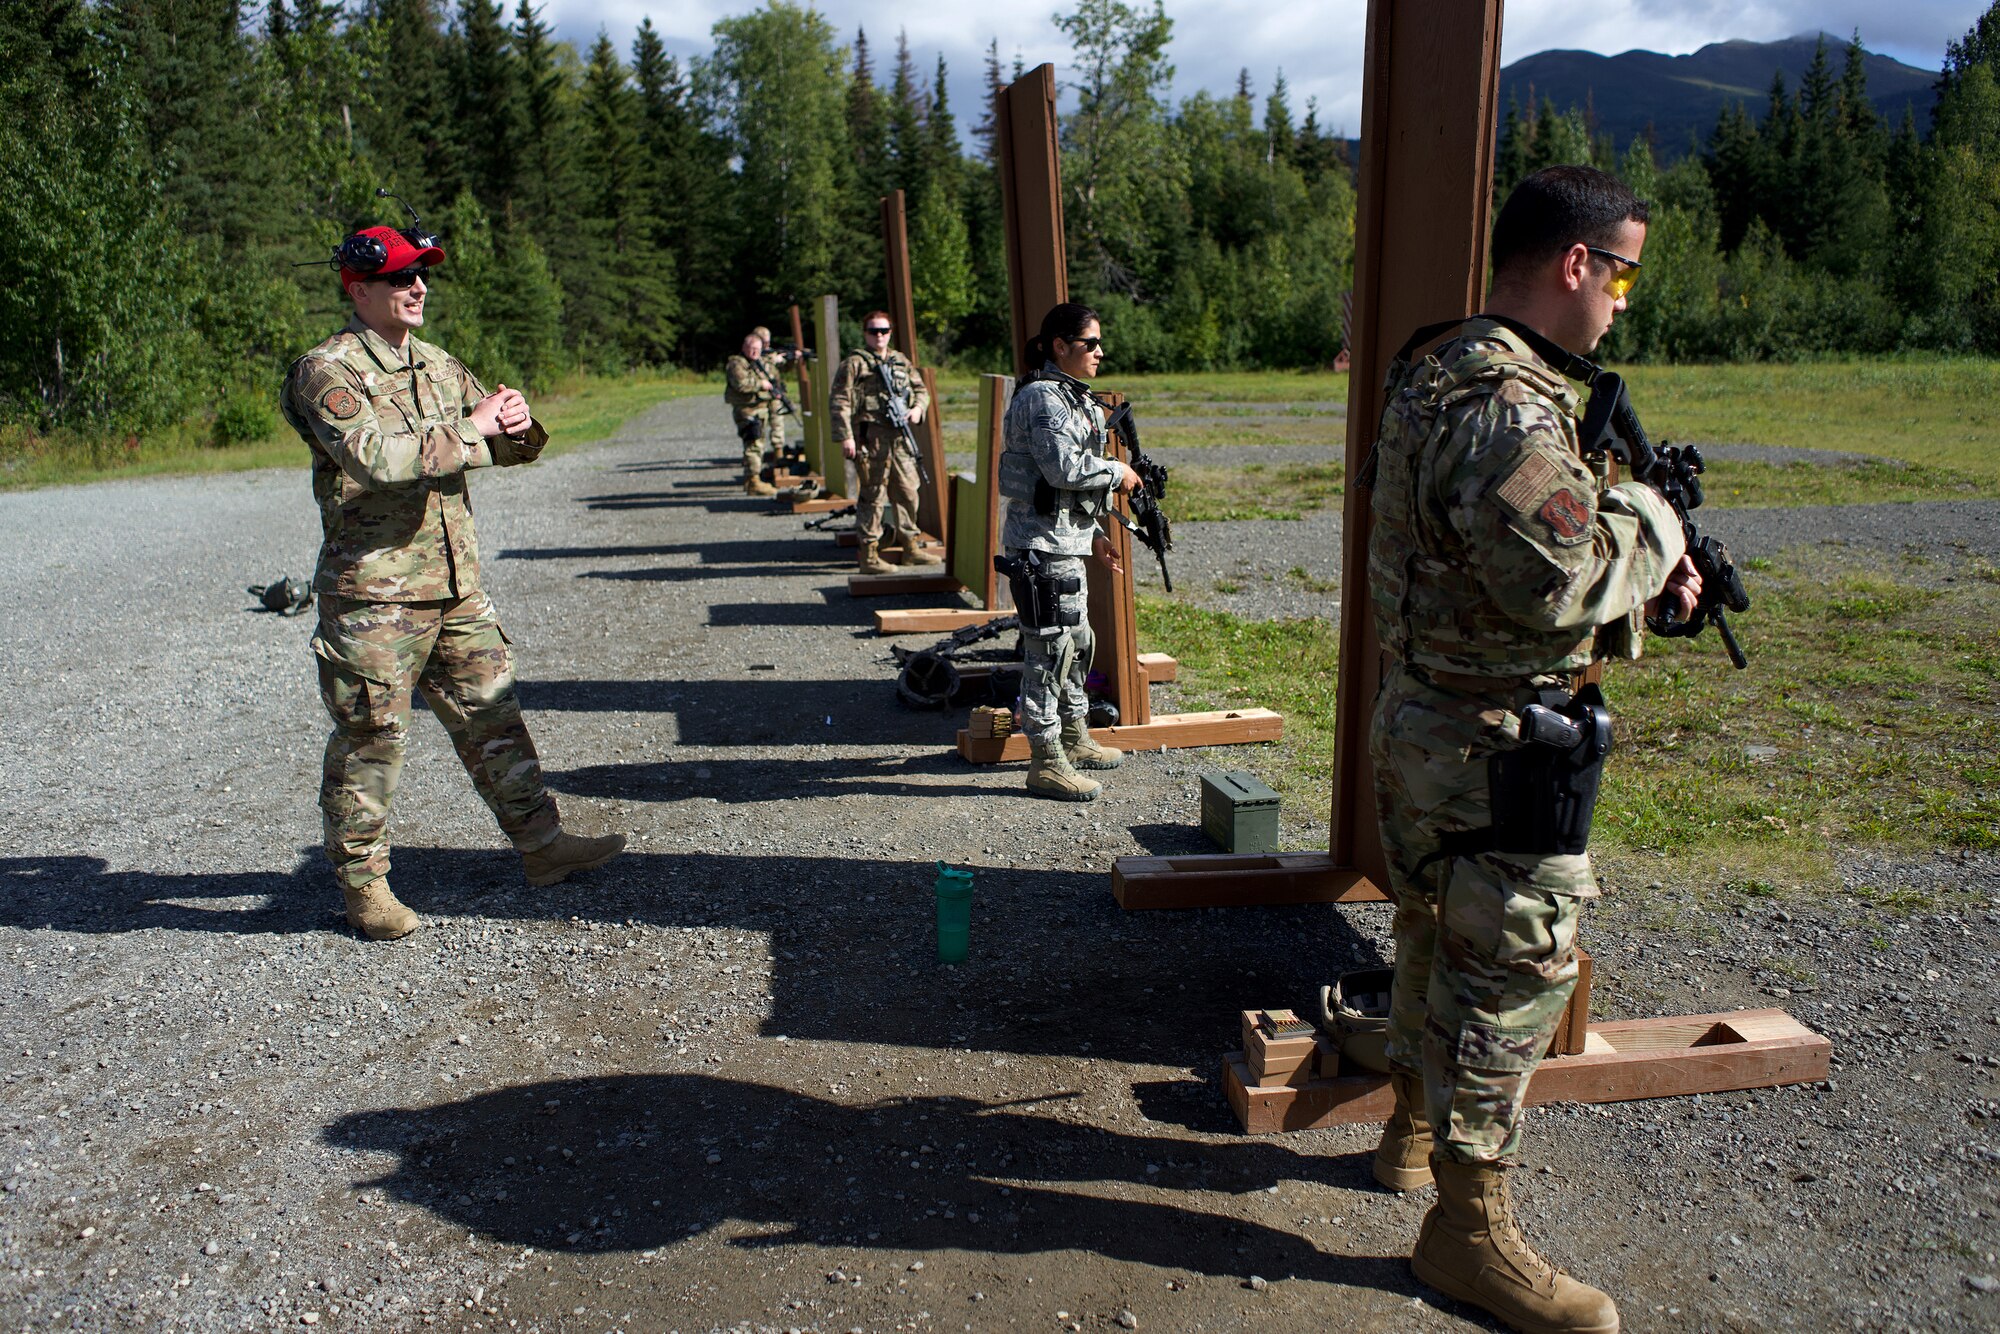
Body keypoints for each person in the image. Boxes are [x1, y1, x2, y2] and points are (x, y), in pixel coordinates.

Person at [1362, 164, 1701, 1332]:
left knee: (1426, 931)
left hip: (1426, 724)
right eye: (1620, 273)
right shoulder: (1505, 400)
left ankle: (1413, 1133)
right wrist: (1653, 521)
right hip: (1491, 744)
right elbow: (1555, 579)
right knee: (1506, 973)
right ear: (1574, 264)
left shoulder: (1438, 362)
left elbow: (1481, 562)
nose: (1620, 300)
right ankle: (1466, 1233)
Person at [280, 222, 625, 941]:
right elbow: (373, 457)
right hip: (377, 595)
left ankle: (543, 847)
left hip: (453, 583)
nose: (418, 287)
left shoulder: (437, 363)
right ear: (359, 288)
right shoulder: (327, 369)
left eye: (422, 275)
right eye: (403, 278)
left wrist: (519, 425)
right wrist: (475, 428)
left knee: (494, 717)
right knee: (372, 736)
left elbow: (503, 441)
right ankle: (364, 889)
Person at [996, 303, 1143, 802]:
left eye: (1101, 343)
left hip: (1064, 540)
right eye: (1090, 343)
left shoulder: (1071, 395)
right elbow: (1062, 469)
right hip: (1039, 546)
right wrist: (1116, 473)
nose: (1100, 352)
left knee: (1078, 642)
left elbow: (1062, 488)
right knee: (1049, 649)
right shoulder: (1043, 397)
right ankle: (1046, 760)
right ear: (1060, 346)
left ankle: (1075, 737)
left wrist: (1096, 531)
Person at [830, 311, 939, 574]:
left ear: (891, 332)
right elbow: (839, 401)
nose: (879, 336)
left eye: (884, 330)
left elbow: (921, 391)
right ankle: (868, 554)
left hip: (900, 438)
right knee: (873, 494)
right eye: (873, 331)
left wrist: (917, 409)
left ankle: (910, 546)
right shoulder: (854, 363)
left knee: (908, 491)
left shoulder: (900, 360)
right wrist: (845, 436)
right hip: (871, 438)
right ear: (865, 332)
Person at [723, 330, 783, 496]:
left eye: (757, 349)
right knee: (753, 445)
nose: (754, 352)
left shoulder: (759, 363)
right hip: (747, 410)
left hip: (759, 410)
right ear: (744, 347)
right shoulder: (737, 363)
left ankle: (752, 479)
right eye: (751, 349)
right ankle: (753, 481)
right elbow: (741, 383)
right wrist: (760, 384)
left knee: (758, 444)